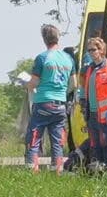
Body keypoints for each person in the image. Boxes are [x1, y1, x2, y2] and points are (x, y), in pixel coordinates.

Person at [25, 23, 75, 173]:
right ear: (58, 38)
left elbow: (34, 82)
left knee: (34, 137)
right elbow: (74, 84)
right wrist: (61, 93)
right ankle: (57, 170)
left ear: (44, 39)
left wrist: (26, 85)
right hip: (60, 105)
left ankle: (32, 170)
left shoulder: (42, 58)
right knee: (57, 141)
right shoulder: (68, 59)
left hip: (42, 103)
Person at [77, 36, 107, 174]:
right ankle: (98, 174)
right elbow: (85, 89)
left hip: (105, 115)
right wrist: (83, 105)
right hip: (92, 114)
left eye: (93, 49)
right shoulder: (90, 69)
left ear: (101, 50)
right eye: (89, 50)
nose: (90, 52)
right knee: (94, 145)